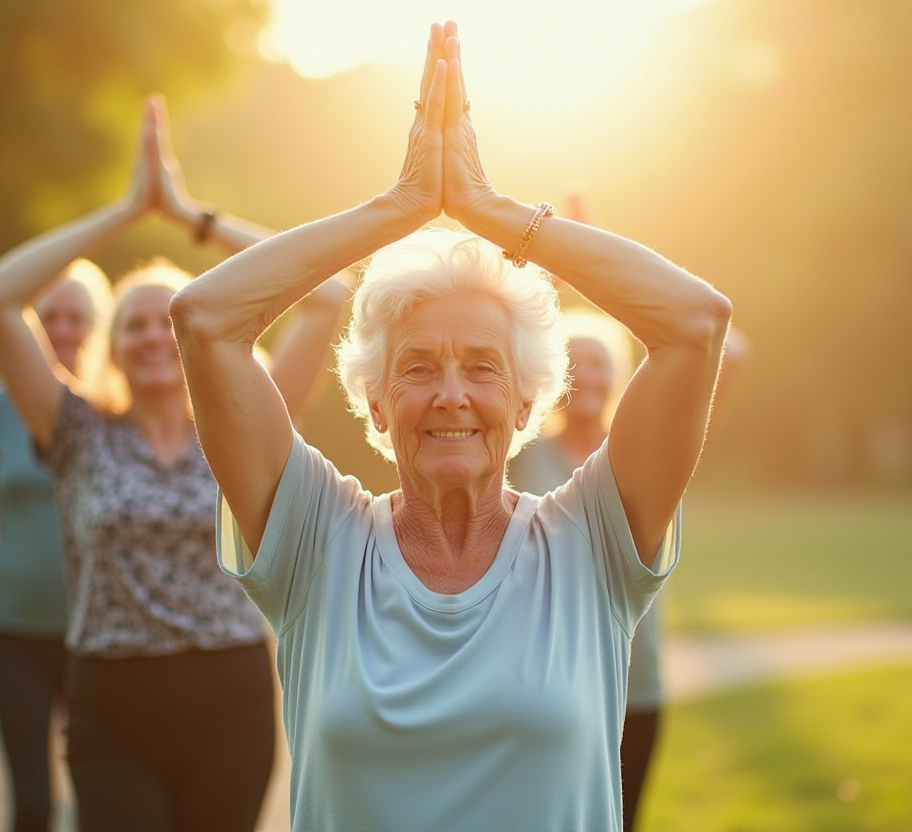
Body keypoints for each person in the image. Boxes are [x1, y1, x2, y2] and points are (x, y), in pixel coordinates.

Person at [171, 21, 732, 832]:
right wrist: (399, 208)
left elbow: (697, 321)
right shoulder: (315, 541)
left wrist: (489, 209)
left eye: (481, 367)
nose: (451, 394)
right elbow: (206, 317)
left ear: (527, 400)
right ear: (373, 399)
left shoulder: (593, 539)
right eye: (418, 367)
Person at [0, 93, 351, 832]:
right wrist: (127, 210)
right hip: (112, 704)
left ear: (192, 335)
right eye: (134, 324)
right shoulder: (75, 427)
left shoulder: (245, 420)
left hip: (230, 696)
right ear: (111, 345)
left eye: (169, 321)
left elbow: (328, 295)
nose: (153, 336)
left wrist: (190, 218)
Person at [509, 301, 749, 832]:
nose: (588, 374)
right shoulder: (522, 453)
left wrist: (615, 286)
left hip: (635, 676)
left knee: (624, 820)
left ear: (619, 373)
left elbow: (728, 349)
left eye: (600, 362)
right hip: (547, 672)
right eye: (575, 362)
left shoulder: (647, 451)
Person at [0, 259, 110, 832]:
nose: (62, 329)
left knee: (103, 804)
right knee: (33, 805)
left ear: (98, 326)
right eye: (48, 317)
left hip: (100, 639)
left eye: (76, 317)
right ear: (28, 325)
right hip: (15, 634)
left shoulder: (115, 413)